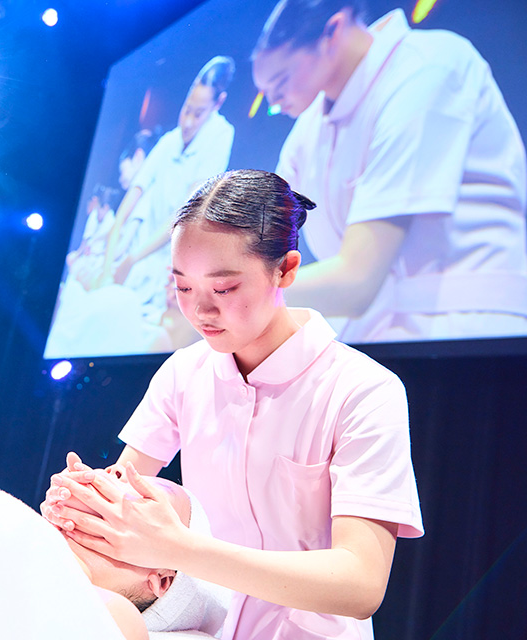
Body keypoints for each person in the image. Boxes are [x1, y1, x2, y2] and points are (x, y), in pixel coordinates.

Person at [43, 170, 423, 640]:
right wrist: (81, 505)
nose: (200, 311)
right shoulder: (184, 373)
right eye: (183, 288)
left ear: (285, 269)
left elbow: (360, 583)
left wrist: (178, 549)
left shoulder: (362, 390)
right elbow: (125, 490)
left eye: (223, 289)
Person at [252, 0, 527, 342]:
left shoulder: (428, 67)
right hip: (373, 333)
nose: (275, 103)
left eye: (281, 82)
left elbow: (357, 281)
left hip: (470, 327)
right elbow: (259, 227)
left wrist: (236, 296)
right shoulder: (308, 129)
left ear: (333, 30)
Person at [96, 55, 236, 323]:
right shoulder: (169, 141)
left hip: (165, 264)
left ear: (218, 103)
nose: (188, 121)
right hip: (133, 257)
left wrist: (132, 259)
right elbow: (131, 199)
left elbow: (188, 210)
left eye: (198, 113)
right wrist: (109, 263)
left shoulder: (221, 135)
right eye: (186, 109)